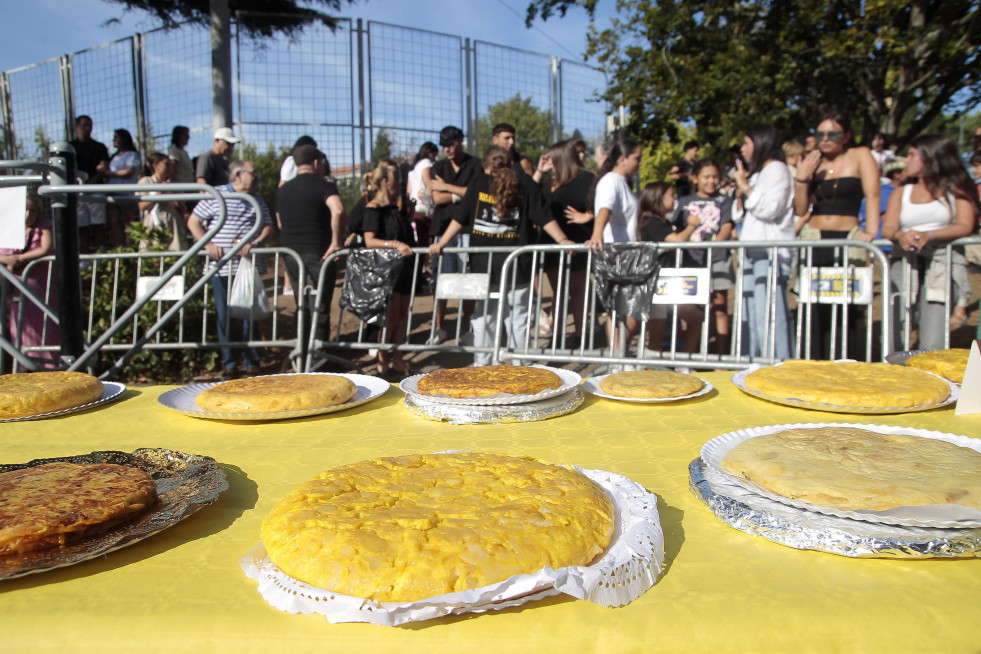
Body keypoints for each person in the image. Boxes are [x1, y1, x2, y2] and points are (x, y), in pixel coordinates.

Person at [430, 145, 574, 366]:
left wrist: (441, 242)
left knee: (485, 316)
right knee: (518, 317)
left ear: (486, 165)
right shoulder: (525, 182)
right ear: (510, 164)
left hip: (484, 265)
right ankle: (521, 365)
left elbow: (460, 217)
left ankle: (482, 364)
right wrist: (563, 239)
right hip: (518, 264)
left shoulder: (479, 183)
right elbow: (543, 216)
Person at [793, 109, 880, 359]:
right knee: (813, 305)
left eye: (833, 133)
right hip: (815, 238)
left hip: (849, 238)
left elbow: (873, 194)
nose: (826, 138)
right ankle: (812, 362)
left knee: (848, 307)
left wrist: (871, 230)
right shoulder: (813, 161)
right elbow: (801, 209)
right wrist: (801, 178)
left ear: (847, 135)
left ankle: (847, 362)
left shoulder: (860, 155)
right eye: (820, 133)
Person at [881, 134, 979, 351]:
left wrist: (930, 235)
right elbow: (888, 227)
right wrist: (900, 236)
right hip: (905, 262)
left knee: (933, 334)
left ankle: (932, 379)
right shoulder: (901, 192)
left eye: (913, 155)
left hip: (942, 264)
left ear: (931, 158)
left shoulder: (956, 190)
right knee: (895, 327)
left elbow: (965, 225)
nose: (907, 160)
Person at [188, 159, 273, 378]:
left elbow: (267, 225)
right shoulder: (215, 195)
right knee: (225, 315)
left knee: (249, 314)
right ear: (238, 175)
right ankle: (230, 363)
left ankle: (252, 362)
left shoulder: (256, 199)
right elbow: (193, 222)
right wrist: (207, 244)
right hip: (222, 268)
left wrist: (254, 243)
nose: (257, 179)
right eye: (254, 173)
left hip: (248, 267)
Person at [733, 123, 796, 360]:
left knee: (769, 315)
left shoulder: (778, 169)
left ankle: (777, 366)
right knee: (750, 315)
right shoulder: (758, 174)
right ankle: (753, 364)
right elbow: (740, 213)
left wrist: (746, 187)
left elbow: (770, 208)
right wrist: (742, 192)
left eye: (746, 143)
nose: (742, 149)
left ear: (760, 143)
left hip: (770, 253)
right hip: (751, 251)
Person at [275, 144, 346, 343]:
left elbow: (280, 222)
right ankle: (319, 358)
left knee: (302, 305)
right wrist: (336, 242)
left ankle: (303, 353)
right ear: (316, 163)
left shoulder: (283, 190)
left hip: (291, 255)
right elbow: (338, 210)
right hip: (320, 253)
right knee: (320, 306)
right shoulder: (324, 185)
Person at [358, 162, 416, 377]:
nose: (398, 187)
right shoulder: (373, 208)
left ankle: (398, 359)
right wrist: (395, 245)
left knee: (402, 314)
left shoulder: (396, 208)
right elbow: (369, 240)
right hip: (386, 268)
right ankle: (382, 361)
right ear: (385, 182)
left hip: (404, 266)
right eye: (395, 182)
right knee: (390, 316)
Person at [425, 125, 482, 343]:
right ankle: (439, 327)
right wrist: (463, 194)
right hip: (442, 230)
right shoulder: (437, 166)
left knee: (468, 281)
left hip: (469, 230)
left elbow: (477, 194)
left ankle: (467, 328)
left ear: (460, 141)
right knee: (442, 281)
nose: (447, 149)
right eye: (444, 145)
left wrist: (447, 187)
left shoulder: (476, 164)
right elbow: (437, 198)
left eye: (450, 144)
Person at [675, 158, 735, 355]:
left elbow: (727, 224)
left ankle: (719, 357)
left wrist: (716, 244)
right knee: (694, 310)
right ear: (695, 178)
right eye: (706, 176)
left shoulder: (724, 201)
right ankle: (691, 356)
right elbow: (676, 226)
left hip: (718, 258)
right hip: (690, 261)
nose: (711, 180)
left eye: (715, 176)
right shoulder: (685, 202)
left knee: (719, 306)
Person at [638, 182, 703, 355]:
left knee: (658, 334)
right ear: (658, 198)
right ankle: (679, 365)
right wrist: (692, 225)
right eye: (671, 195)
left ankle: (667, 366)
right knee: (694, 319)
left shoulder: (658, 221)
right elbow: (677, 240)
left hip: (663, 287)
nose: (674, 199)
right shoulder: (652, 222)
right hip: (660, 287)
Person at [538, 138, 595, 337]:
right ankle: (558, 336)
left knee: (578, 292)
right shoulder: (549, 183)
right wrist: (539, 172)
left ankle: (580, 336)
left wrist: (587, 216)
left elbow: (604, 205)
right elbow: (533, 200)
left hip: (576, 243)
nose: (548, 160)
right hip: (551, 245)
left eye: (552, 158)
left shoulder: (586, 179)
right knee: (559, 291)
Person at [0, 193, 58, 367]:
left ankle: (49, 364)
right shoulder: (8, 228)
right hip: (14, 286)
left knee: (44, 323)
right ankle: (23, 365)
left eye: (32, 210)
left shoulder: (44, 226)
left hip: (38, 285)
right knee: (19, 325)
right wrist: (7, 259)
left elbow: (47, 248)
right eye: (25, 210)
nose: (28, 215)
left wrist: (21, 258)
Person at [588, 137, 642, 250]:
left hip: (626, 254)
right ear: (622, 159)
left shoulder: (621, 182)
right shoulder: (611, 181)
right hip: (617, 255)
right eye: (637, 159)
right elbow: (605, 209)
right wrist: (597, 235)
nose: (640, 163)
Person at [70, 115, 110, 253]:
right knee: (82, 227)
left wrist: (90, 184)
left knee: (98, 225)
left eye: (90, 125)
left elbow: (103, 168)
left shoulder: (99, 147)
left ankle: (100, 260)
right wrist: (80, 187)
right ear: (77, 126)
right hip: (78, 192)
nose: (87, 128)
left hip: (96, 190)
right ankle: (85, 260)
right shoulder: (71, 148)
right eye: (84, 125)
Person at [137, 152, 189, 252]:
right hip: (153, 223)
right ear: (155, 165)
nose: (170, 167)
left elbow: (183, 209)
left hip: (173, 223)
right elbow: (142, 206)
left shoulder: (175, 185)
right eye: (166, 164)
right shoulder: (146, 182)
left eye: (171, 164)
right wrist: (159, 192)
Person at [101, 128, 141, 248]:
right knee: (113, 221)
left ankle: (130, 247)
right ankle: (119, 248)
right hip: (111, 193)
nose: (114, 140)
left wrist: (109, 172)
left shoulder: (132, 155)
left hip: (126, 193)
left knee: (128, 221)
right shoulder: (113, 157)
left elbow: (129, 172)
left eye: (116, 137)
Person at [406, 141, 438, 243]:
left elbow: (408, 190)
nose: (434, 159)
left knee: (418, 242)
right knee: (425, 244)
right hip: (424, 210)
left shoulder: (413, 167)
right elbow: (429, 183)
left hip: (413, 209)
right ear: (429, 152)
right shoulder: (426, 163)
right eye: (434, 155)